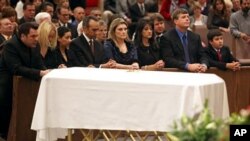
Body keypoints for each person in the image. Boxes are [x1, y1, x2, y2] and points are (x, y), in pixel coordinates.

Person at [0, 22, 49, 140]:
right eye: (33, 36)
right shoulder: (10, 45)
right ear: (22, 36)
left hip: (26, 86)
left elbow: (39, 64)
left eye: (37, 36)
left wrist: (48, 71)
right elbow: (15, 68)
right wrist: (39, 73)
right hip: (7, 85)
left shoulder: (35, 45)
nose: (36, 39)